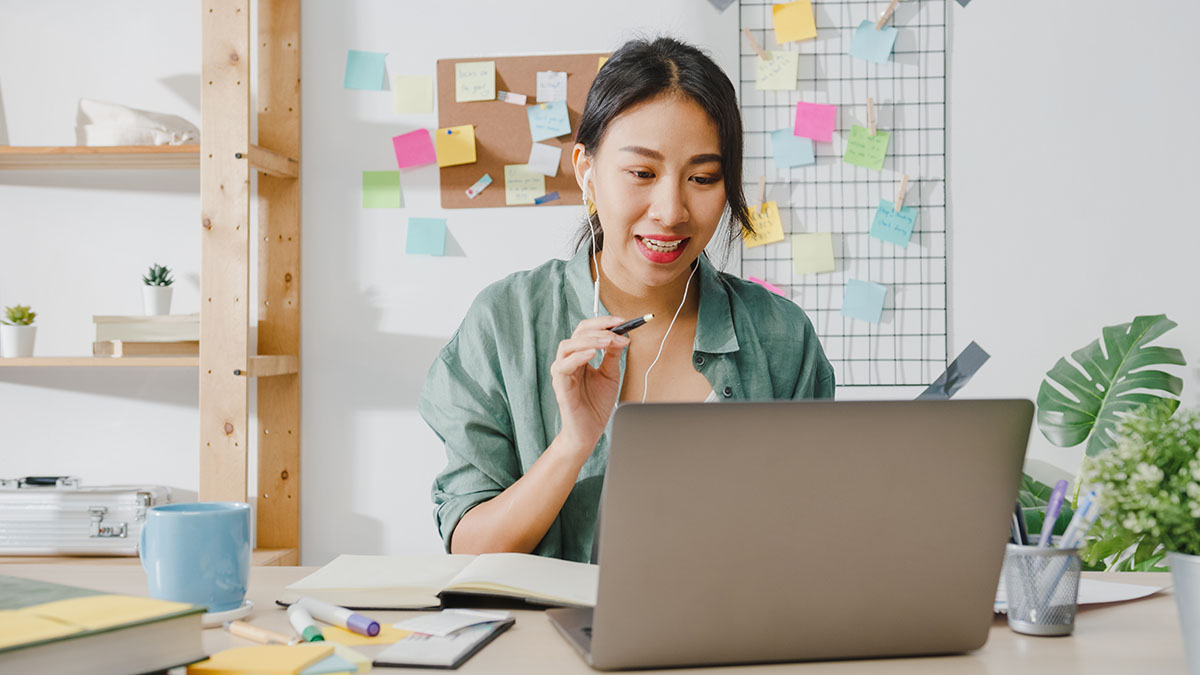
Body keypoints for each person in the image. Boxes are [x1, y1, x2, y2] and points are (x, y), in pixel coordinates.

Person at [418, 37, 834, 563]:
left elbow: (812, 533)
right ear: (586, 171)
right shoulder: (505, 323)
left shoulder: (781, 336)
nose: (671, 210)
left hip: (736, 640)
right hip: (548, 641)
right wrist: (574, 442)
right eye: (642, 173)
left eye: (703, 178)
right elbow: (469, 548)